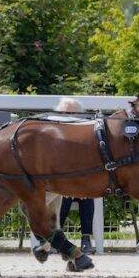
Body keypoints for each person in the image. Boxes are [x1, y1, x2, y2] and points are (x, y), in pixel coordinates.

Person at [53, 97, 95, 255]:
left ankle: (86, 239)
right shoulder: (54, 134)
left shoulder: (86, 134)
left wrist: (81, 185)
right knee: (63, 197)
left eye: (72, 113)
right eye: (65, 113)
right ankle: (57, 240)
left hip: (81, 181)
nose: (68, 116)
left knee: (88, 196)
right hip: (60, 182)